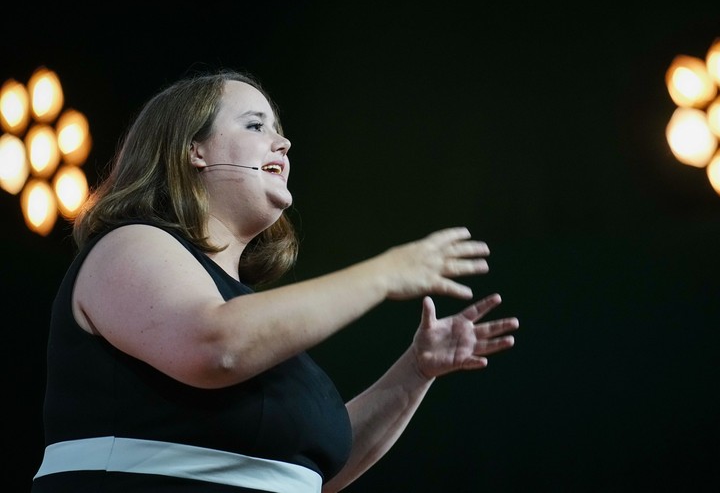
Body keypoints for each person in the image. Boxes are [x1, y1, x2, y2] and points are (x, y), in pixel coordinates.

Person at [31, 69, 519, 492]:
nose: (282, 143)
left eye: (279, 130)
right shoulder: (128, 245)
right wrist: (386, 272)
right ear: (193, 150)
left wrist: (416, 370)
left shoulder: (249, 317)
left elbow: (314, 471)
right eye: (255, 125)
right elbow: (216, 344)